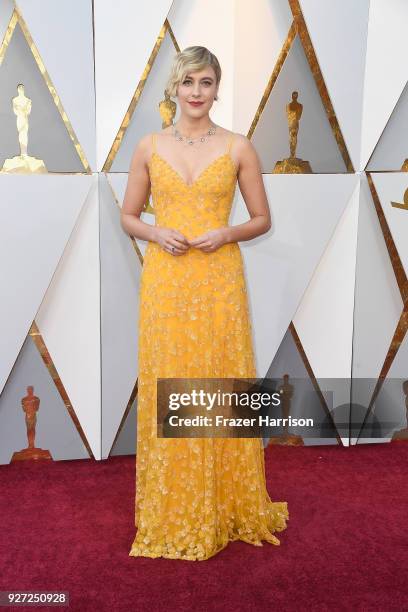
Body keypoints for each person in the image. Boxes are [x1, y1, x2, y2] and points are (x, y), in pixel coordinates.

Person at [121, 46, 289, 561]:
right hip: (167, 283)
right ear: (175, 87)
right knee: (170, 386)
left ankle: (226, 504)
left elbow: (262, 219)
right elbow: (128, 215)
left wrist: (226, 232)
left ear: (218, 88)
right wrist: (156, 231)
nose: (197, 92)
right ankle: (173, 508)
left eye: (207, 82)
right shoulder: (148, 146)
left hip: (218, 281)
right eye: (189, 81)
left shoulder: (240, 147)